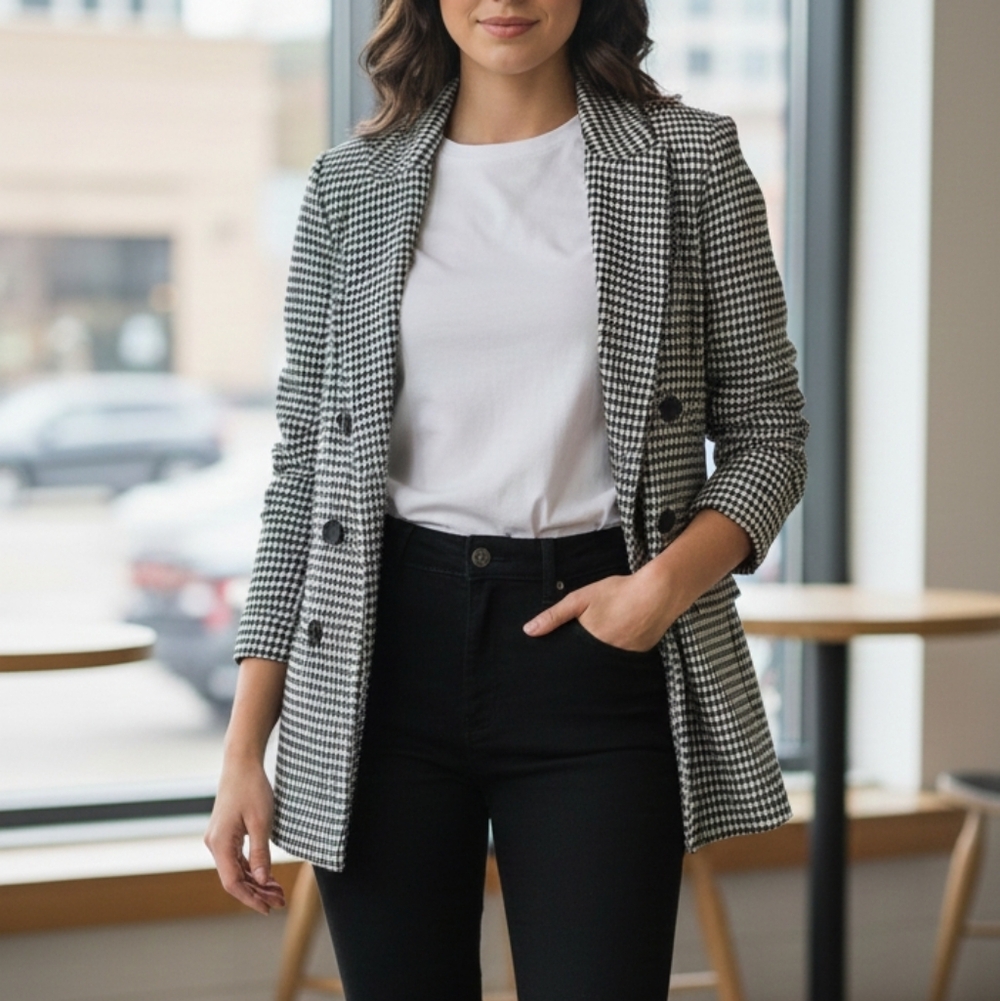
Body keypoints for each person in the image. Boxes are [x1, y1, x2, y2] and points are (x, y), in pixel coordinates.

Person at [205, 1, 809, 998]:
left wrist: (656, 591)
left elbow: (767, 434)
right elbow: (308, 471)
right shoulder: (349, 185)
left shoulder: (688, 160)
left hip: (597, 654)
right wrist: (243, 749)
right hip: (380, 659)